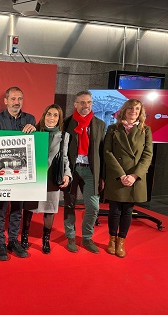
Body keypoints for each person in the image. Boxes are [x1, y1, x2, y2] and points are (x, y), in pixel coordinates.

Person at [0, 86, 36, 261]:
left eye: (20, 99)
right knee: (0, 209)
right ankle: (0, 243)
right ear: (6, 101)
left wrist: (35, 131)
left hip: (21, 172)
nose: (17, 102)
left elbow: (33, 145)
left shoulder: (30, 119)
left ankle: (13, 241)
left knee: (17, 209)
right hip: (1, 172)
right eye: (14, 99)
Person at [103, 99, 153, 258]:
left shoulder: (146, 130)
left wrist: (134, 175)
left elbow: (147, 155)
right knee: (115, 210)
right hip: (117, 176)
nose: (134, 111)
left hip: (134, 177)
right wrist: (121, 174)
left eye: (137, 109)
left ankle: (121, 241)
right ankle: (112, 239)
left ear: (141, 111)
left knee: (128, 211)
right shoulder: (113, 128)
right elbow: (107, 152)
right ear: (124, 110)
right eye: (130, 108)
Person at [22, 104, 71, 254]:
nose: (52, 118)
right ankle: (24, 237)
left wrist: (67, 174)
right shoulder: (35, 132)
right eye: (49, 114)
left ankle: (46, 240)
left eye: (55, 115)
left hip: (52, 177)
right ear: (44, 116)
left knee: (50, 209)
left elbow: (65, 157)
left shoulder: (64, 136)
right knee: (29, 208)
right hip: (35, 176)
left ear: (59, 119)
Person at [63, 90, 106, 254]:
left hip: (91, 171)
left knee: (93, 207)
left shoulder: (100, 125)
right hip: (71, 170)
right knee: (69, 205)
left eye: (88, 102)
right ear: (75, 104)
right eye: (82, 102)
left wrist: (102, 176)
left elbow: (102, 153)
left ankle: (87, 238)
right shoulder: (66, 123)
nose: (85, 105)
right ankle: (71, 237)